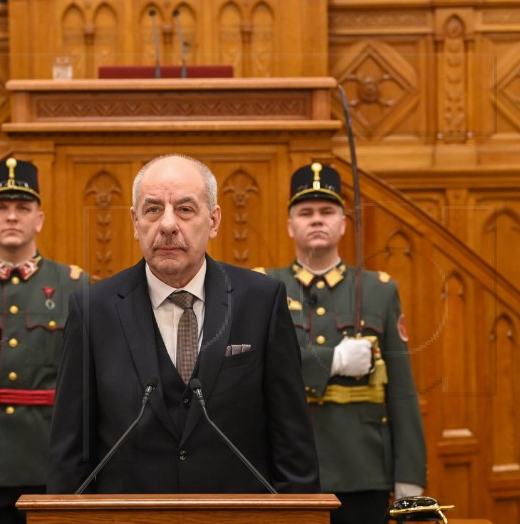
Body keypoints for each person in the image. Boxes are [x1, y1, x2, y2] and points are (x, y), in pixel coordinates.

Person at [47, 153, 320, 495]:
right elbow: (70, 452)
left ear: (214, 219)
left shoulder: (261, 301)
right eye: (152, 209)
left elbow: (292, 441)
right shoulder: (92, 310)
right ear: (135, 222)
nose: (167, 224)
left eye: (185, 209)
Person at [257, 162, 426, 524]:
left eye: (327, 211)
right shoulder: (263, 289)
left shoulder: (379, 290)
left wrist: (410, 477)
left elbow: (402, 389)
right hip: (285, 469)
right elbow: (255, 367)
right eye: (305, 213)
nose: (316, 220)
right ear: (290, 226)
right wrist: (331, 360)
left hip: (362, 470)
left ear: (343, 223)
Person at [0, 158, 88, 523]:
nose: (11, 217)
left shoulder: (74, 285)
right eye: (0, 208)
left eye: (23, 208)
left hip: (49, 458)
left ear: (39, 219)